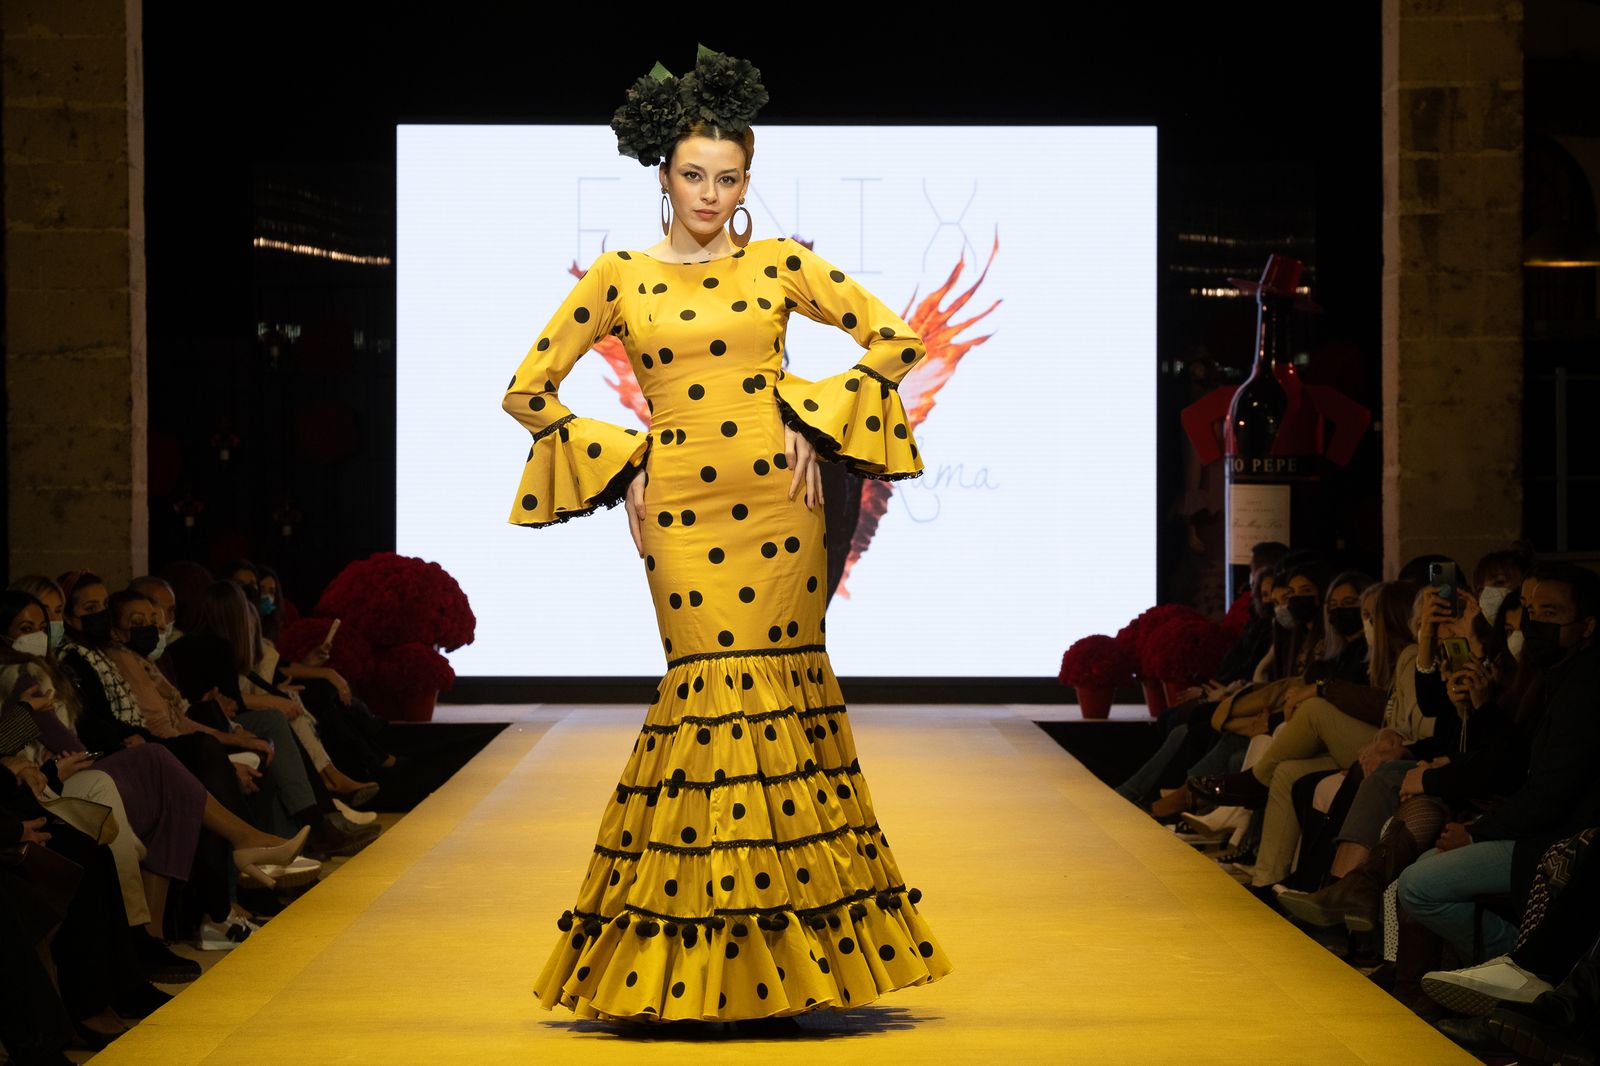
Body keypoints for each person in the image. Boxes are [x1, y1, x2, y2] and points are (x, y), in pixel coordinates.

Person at [507, 47, 951, 1028]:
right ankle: (699, 961)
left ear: (747, 182)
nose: (710, 193)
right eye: (694, 173)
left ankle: (775, 968)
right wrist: (621, 462)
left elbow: (893, 338)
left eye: (729, 177)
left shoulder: (781, 262)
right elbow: (526, 393)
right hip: (678, 513)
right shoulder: (619, 275)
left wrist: (805, 413)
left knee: (779, 704)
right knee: (707, 703)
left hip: (783, 514)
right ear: (663, 173)